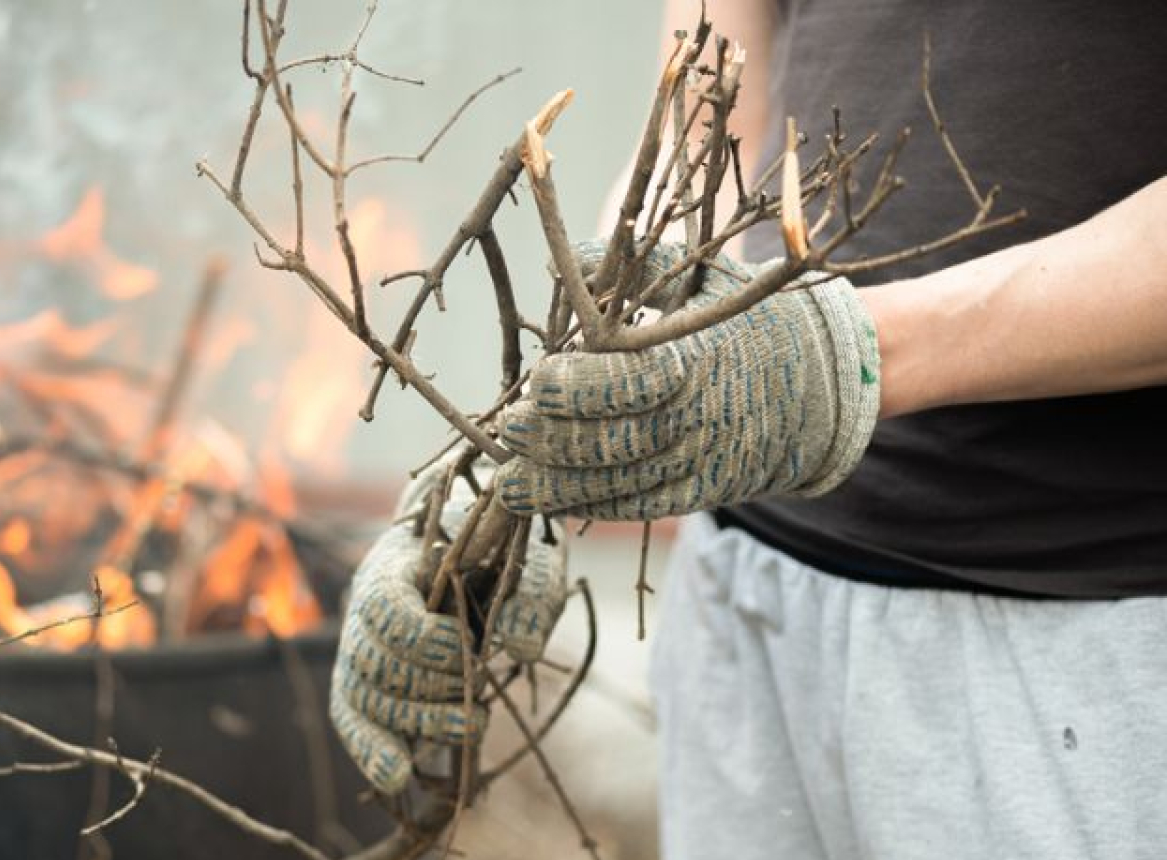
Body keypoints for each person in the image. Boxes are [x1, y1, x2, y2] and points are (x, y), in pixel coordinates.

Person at [331, 1, 1167, 857]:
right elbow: (705, 119)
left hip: (1081, 626)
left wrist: (850, 357)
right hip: (741, 583)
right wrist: (511, 472)